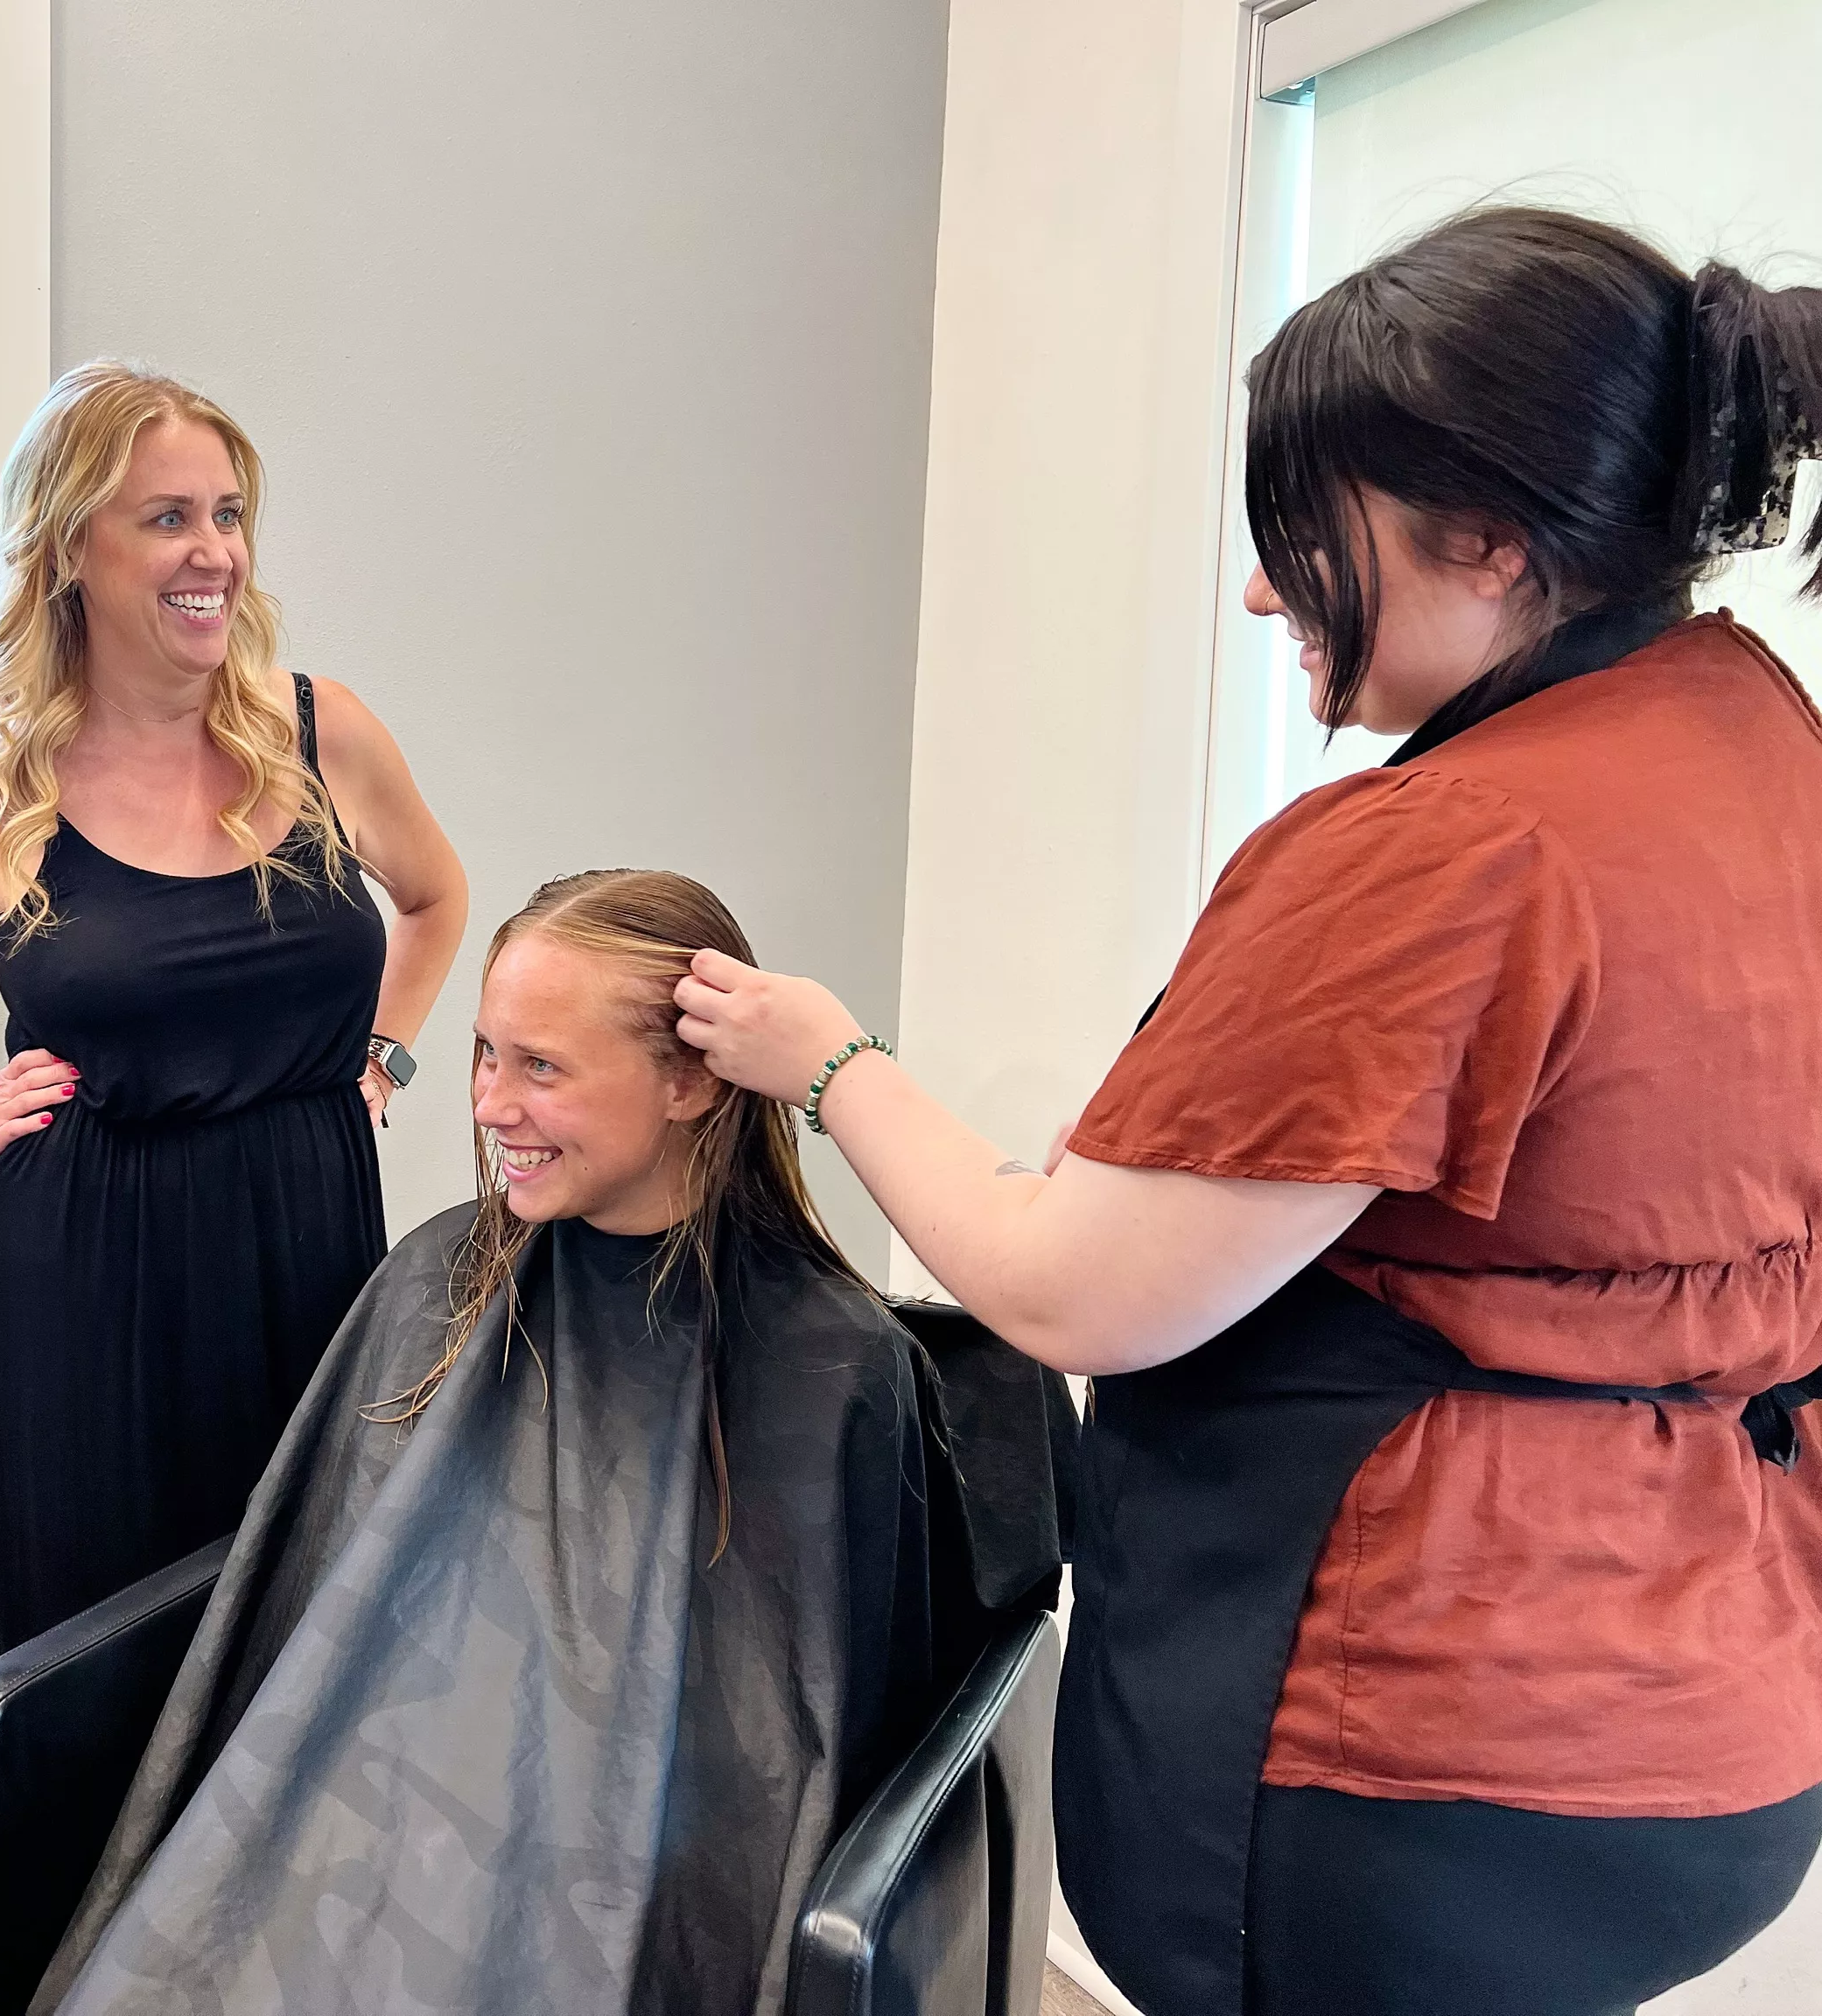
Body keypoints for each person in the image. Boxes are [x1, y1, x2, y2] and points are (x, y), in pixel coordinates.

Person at [674, 207, 1822, 2016]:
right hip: (1717, 1715)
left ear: (1486, 535)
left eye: (1302, 535)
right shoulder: (1754, 740)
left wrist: (827, 1063)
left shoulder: (1445, 851)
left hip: (1423, 1767)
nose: (1263, 591)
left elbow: (1064, 1289)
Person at [29, 870, 1028, 2016]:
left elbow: (809, 1746)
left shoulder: (829, 1368)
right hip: (350, 1846)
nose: (490, 1105)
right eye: (484, 1055)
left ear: (691, 1081)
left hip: (631, 1903)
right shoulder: (432, 1282)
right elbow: (313, 1623)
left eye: (541, 1068)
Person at [0, 361, 467, 1659]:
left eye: (227, 514)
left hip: (311, 1221)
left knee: (306, 1631)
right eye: (166, 518)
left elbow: (437, 901)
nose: (211, 551)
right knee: (104, 1640)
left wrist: (382, 1057)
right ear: (69, 550)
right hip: (95, 1260)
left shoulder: (324, 733)